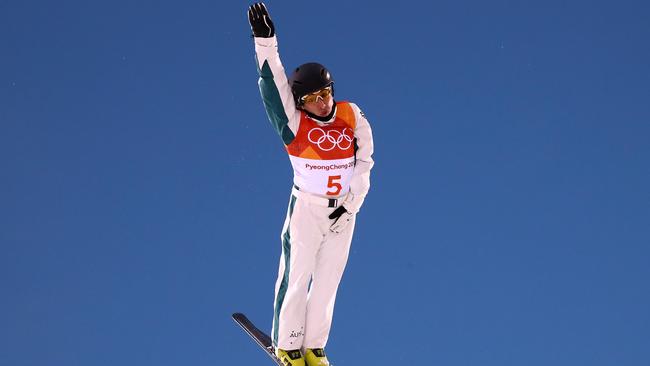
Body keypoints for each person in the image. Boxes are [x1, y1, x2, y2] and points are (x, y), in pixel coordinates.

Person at [247, 3, 374, 365]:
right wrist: (265, 40)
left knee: (329, 281)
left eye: (325, 93)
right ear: (301, 103)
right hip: (307, 209)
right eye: (312, 99)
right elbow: (272, 85)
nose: (322, 103)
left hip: (344, 210)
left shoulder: (352, 114)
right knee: (296, 276)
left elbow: (365, 162)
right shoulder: (294, 124)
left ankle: (315, 348)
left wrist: (353, 203)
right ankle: (288, 345)